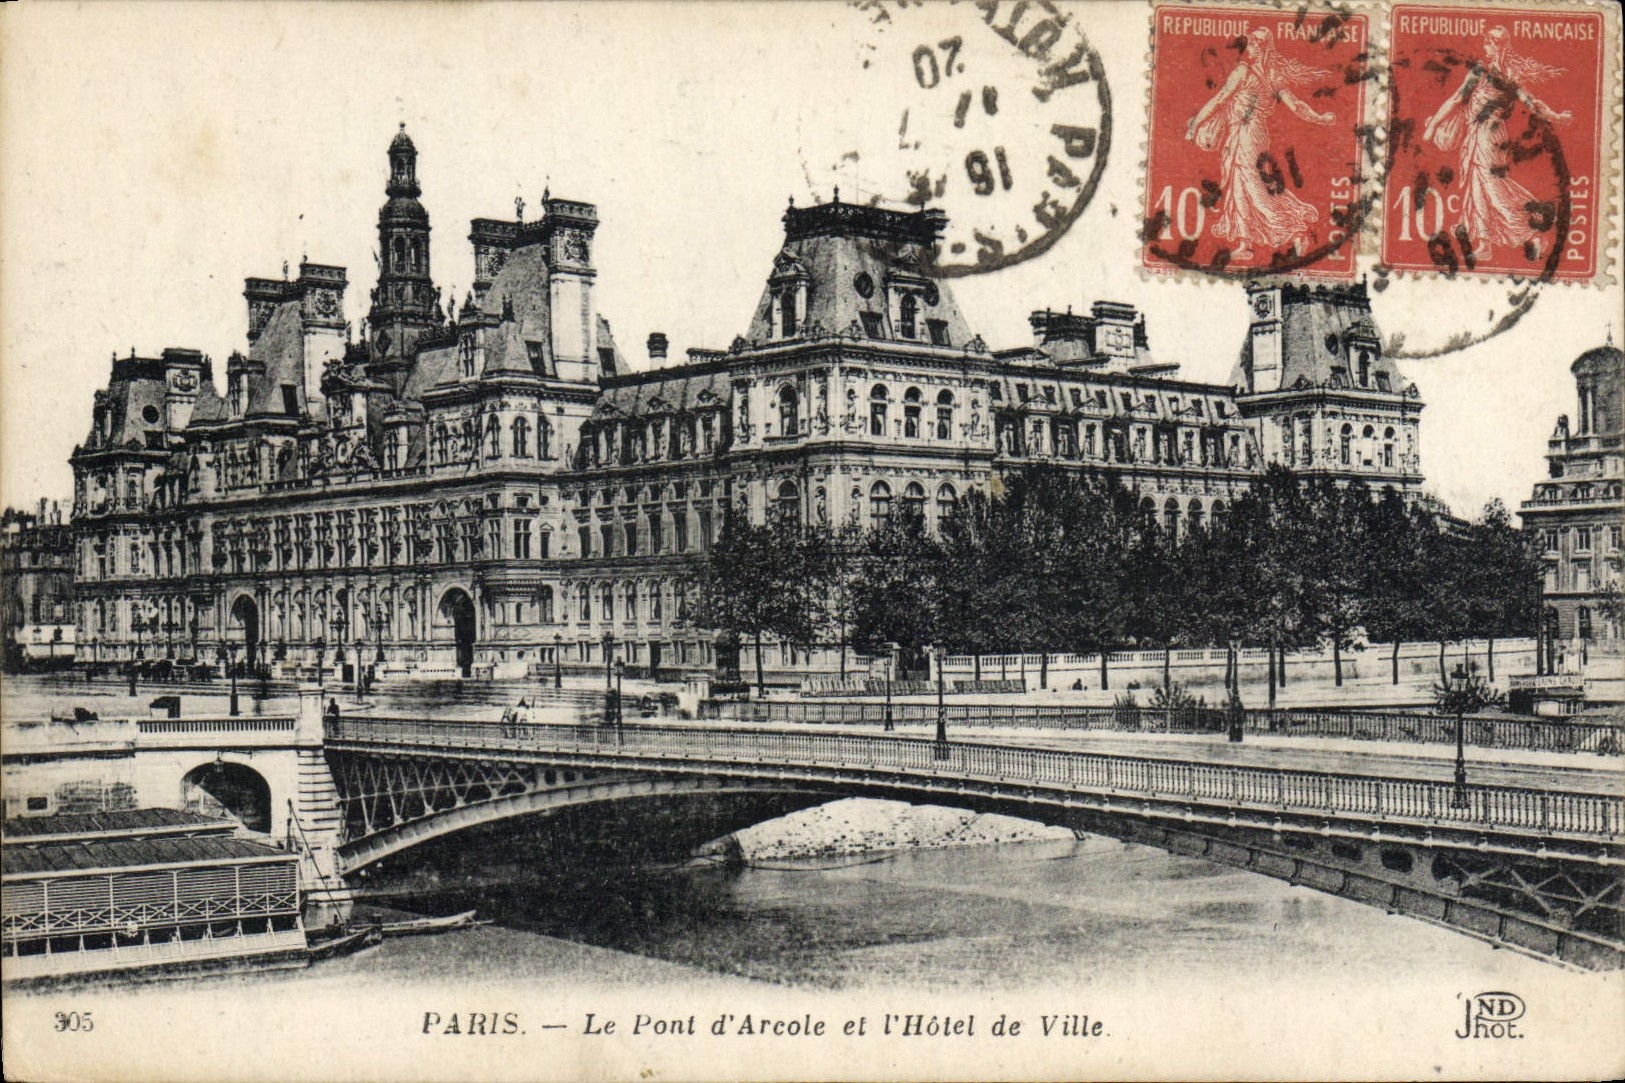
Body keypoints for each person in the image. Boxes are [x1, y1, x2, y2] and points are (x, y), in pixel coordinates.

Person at [1186, 27, 1336, 259]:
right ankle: (1245, 244)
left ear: (1260, 47)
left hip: (1246, 134)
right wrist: (1319, 117)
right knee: (1239, 186)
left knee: (1254, 188)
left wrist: (1195, 124)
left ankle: (1295, 232)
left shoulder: (1243, 73)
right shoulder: (1274, 76)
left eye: (1252, 44)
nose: (1248, 48)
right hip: (1252, 134)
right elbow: (1296, 106)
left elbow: (1219, 100)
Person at [1422, 27, 1570, 261]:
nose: (1485, 48)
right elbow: (1533, 103)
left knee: (1494, 191)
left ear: (1499, 47)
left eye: (1489, 44)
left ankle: (1533, 235)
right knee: (1478, 188)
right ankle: (1484, 244)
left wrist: (1432, 127)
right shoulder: (1502, 76)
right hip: (1487, 136)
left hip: (1486, 137)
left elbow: (1457, 99)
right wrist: (1555, 115)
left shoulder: (1486, 73)